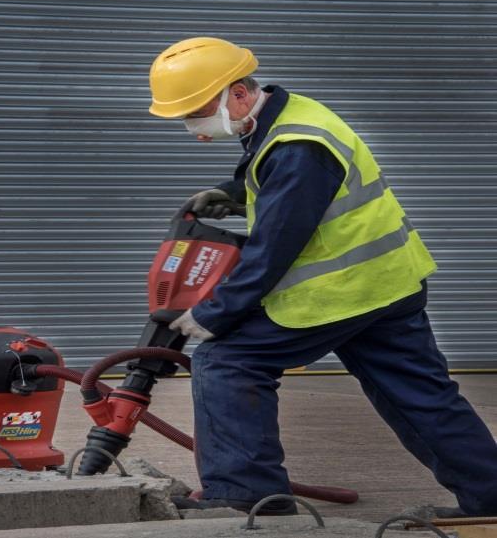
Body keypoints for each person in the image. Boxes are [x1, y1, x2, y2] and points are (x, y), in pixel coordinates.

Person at [147, 36, 497, 517]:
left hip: (342, 292)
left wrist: (213, 312)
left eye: (196, 111)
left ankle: (247, 495)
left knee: (228, 361)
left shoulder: (298, 147)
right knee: (421, 396)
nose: (193, 126)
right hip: (389, 283)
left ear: (239, 93)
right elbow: (295, 191)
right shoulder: (292, 116)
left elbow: (273, 249)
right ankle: (491, 498)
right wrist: (235, 191)